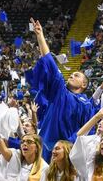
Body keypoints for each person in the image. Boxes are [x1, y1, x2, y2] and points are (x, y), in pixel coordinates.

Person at [29, 18, 96, 161]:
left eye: (76, 75)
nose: (71, 75)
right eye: (71, 74)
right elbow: (50, 64)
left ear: (84, 85)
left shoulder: (86, 105)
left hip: (68, 152)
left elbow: (87, 132)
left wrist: (71, 147)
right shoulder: (61, 92)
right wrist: (40, 35)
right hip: (46, 149)